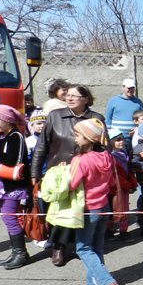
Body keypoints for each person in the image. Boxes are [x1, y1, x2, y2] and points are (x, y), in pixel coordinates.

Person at [31, 84, 104, 267]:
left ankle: (84, 246)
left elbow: (104, 146)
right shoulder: (55, 116)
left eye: (75, 96)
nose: (69, 98)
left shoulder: (96, 118)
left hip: (86, 173)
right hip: (58, 173)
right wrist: (35, 172)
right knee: (60, 211)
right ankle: (58, 247)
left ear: (86, 99)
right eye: (68, 95)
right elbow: (42, 146)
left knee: (80, 210)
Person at [70, 119, 120, 285]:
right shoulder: (107, 156)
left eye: (77, 135)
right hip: (103, 206)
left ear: (89, 138)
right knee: (97, 247)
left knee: (83, 249)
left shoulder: (80, 160)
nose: (75, 138)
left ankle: (106, 282)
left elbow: (71, 184)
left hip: (87, 208)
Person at [0, 104, 31, 269]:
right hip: (1, 184)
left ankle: (21, 253)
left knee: (9, 217)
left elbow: (11, 161)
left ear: (7, 120)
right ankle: (16, 251)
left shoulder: (16, 136)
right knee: (7, 217)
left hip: (12, 186)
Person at [106, 128, 135, 241]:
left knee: (124, 208)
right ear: (111, 142)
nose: (121, 142)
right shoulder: (110, 156)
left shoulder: (123, 153)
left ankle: (123, 231)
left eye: (122, 139)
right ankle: (109, 230)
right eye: (117, 140)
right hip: (115, 186)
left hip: (124, 185)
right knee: (114, 208)